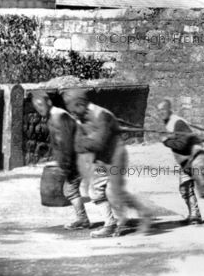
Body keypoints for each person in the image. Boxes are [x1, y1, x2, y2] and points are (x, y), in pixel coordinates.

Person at [62, 88, 154, 238]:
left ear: (79, 103)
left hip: (115, 156)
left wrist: (85, 141)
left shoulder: (102, 115)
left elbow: (98, 143)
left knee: (115, 193)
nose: (71, 113)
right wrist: (87, 141)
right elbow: (79, 145)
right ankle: (110, 224)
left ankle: (143, 214)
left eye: (72, 108)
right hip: (100, 158)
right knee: (95, 192)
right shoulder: (80, 118)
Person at [157, 99, 204, 225]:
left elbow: (182, 144)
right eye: (159, 111)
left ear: (169, 109)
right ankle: (194, 216)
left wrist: (166, 141)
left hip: (197, 158)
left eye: (164, 110)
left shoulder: (178, 122)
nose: (161, 113)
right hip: (188, 162)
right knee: (185, 188)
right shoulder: (170, 124)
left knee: (203, 190)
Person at [30, 90, 90, 230]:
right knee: (72, 190)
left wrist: (66, 163)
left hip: (80, 156)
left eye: (41, 105)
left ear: (49, 102)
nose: (39, 109)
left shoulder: (59, 116)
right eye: (36, 107)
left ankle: (84, 220)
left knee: (71, 190)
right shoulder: (53, 116)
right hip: (77, 156)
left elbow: (68, 142)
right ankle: (83, 219)